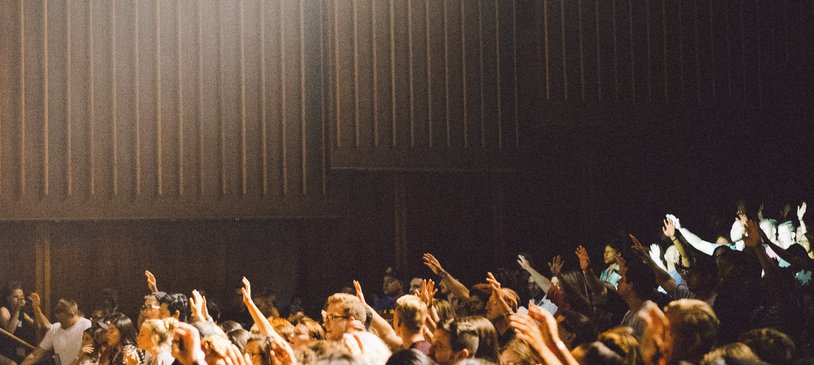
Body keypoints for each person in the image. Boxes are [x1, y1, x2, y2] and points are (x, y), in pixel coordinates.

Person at [20, 299, 93, 365]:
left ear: (72, 315)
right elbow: (36, 355)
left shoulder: (86, 326)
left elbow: (90, 353)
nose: (60, 323)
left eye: (63, 320)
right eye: (58, 319)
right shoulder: (55, 328)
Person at [0, 282, 35, 365]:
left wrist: (36, 308)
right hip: (5, 351)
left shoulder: (24, 314)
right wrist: (18, 309)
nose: (20, 300)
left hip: (20, 350)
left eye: (21, 297)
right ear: (8, 298)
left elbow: (38, 327)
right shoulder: (4, 311)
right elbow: (10, 331)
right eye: (16, 297)